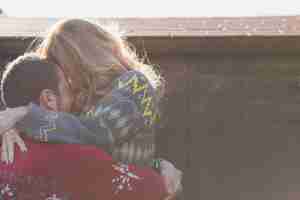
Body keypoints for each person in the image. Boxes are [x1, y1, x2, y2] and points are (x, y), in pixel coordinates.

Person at [0, 19, 182, 196]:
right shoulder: (83, 103)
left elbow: (97, 133)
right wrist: (12, 128)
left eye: (64, 69)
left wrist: (25, 115)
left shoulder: (134, 85)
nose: (66, 81)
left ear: (81, 61)